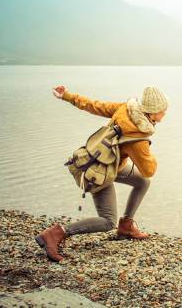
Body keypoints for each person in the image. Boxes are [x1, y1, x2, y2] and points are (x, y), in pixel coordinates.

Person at [35, 85, 168, 262]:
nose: (165, 114)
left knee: (142, 182)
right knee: (107, 221)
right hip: (98, 173)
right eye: (162, 111)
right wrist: (148, 152)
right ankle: (56, 233)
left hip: (109, 164)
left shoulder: (125, 109)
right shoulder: (138, 138)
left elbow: (95, 105)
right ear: (151, 112)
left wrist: (66, 96)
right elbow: (149, 169)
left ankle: (126, 226)